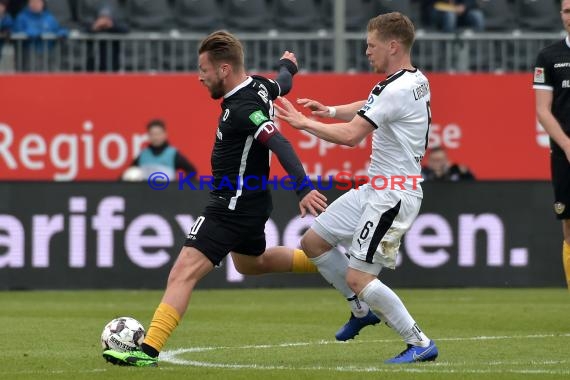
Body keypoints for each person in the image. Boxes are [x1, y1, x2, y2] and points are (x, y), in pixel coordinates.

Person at [102, 30, 338, 367]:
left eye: (204, 70)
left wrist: (302, 188)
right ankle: (331, 263)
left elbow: (280, 143)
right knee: (250, 263)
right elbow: (282, 83)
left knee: (182, 272)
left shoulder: (244, 107)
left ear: (224, 70)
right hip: (252, 203)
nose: (200, 77)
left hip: (231, 206)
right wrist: (287, 66)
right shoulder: (259, 85)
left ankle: (147, 350)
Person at [275, 12, 439, 363]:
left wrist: (304, 123)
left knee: (358, 277)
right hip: (377, 187)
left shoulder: (394, 87)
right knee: (313, 242)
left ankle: (419, 342)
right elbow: (370, 108)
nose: (367, 52)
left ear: (392, 46)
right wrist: (329, 110)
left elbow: (352, 137)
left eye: (371, 45)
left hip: (393, 194)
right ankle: (362, 313)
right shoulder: (413, 79)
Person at [533, 0, 570, 289]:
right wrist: (568, 145)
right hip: (564, 153)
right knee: (568, 225)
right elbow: (543, 110)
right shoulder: (549, 56)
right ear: (561, 15)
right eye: (568, 11)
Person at [127, 119, 197, 180]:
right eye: (152, 134)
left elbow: (192, 171)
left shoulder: (173, 154)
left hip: (167, 193)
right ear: (148, 136)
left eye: (158, 134)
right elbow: (128, 174)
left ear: (165, 134)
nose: (155, 137)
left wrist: (181, 186)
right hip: (146, 193)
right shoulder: (143, 155)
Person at [12, 0, 68, 70]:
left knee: (50, 76)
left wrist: (62, 32)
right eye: (33, 2)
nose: (35, 4)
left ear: (42, 4)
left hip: (49, 52)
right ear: (29, 4)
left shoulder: (49, 17)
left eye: (38, 2)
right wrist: (30, 33)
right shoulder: (22, 17)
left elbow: (57, 29)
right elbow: (16, 31)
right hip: (30, 53)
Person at [77, 0, 128, 72]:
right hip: (92, 59)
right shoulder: (89, 6)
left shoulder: (120, 5)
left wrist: (112, 25)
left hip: (112, 61)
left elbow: (126, 27)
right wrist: (94, 26)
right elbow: (81, 27)